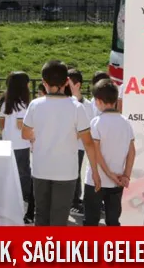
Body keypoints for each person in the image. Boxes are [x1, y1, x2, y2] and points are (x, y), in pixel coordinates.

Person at [22, 61, 101, 228]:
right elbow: (88, 143)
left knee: (41, 216)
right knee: (59, 218)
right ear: (66, 82)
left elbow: (25, 133)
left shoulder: (35, 105)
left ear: (43, 82)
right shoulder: (77, 107)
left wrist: (37, 135)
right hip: (66, 172)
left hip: (41, 169)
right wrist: (95, 172)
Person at [84, 79, 135, 226]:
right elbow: (132, 151)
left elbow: (96, 151)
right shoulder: (126, 122)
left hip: (95, 180)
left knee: (91, 221)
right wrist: (126, 175)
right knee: (113, 221)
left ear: (99, 101)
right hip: (117, 181)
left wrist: (108, 174)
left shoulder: (96, 122)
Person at [0, 71, 34, 224]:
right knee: (24, 175)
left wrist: (6, 134)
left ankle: (12, 202)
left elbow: (1, 123)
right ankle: (27, 203)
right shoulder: (23, 105)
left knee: (11, 174)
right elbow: (21, 126)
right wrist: (33, 136)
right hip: (21, 144)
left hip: (8, 144)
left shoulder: (5, 103)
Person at [68, 69, 94, 216]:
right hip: (66, 145)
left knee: (75, 173)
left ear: (77, 85)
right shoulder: (65, 102)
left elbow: (86, 127)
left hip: (78, 146)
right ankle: (73, 201)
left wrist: (69, 135)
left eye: (69, 84)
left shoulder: (87, 105)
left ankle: (75, 202)